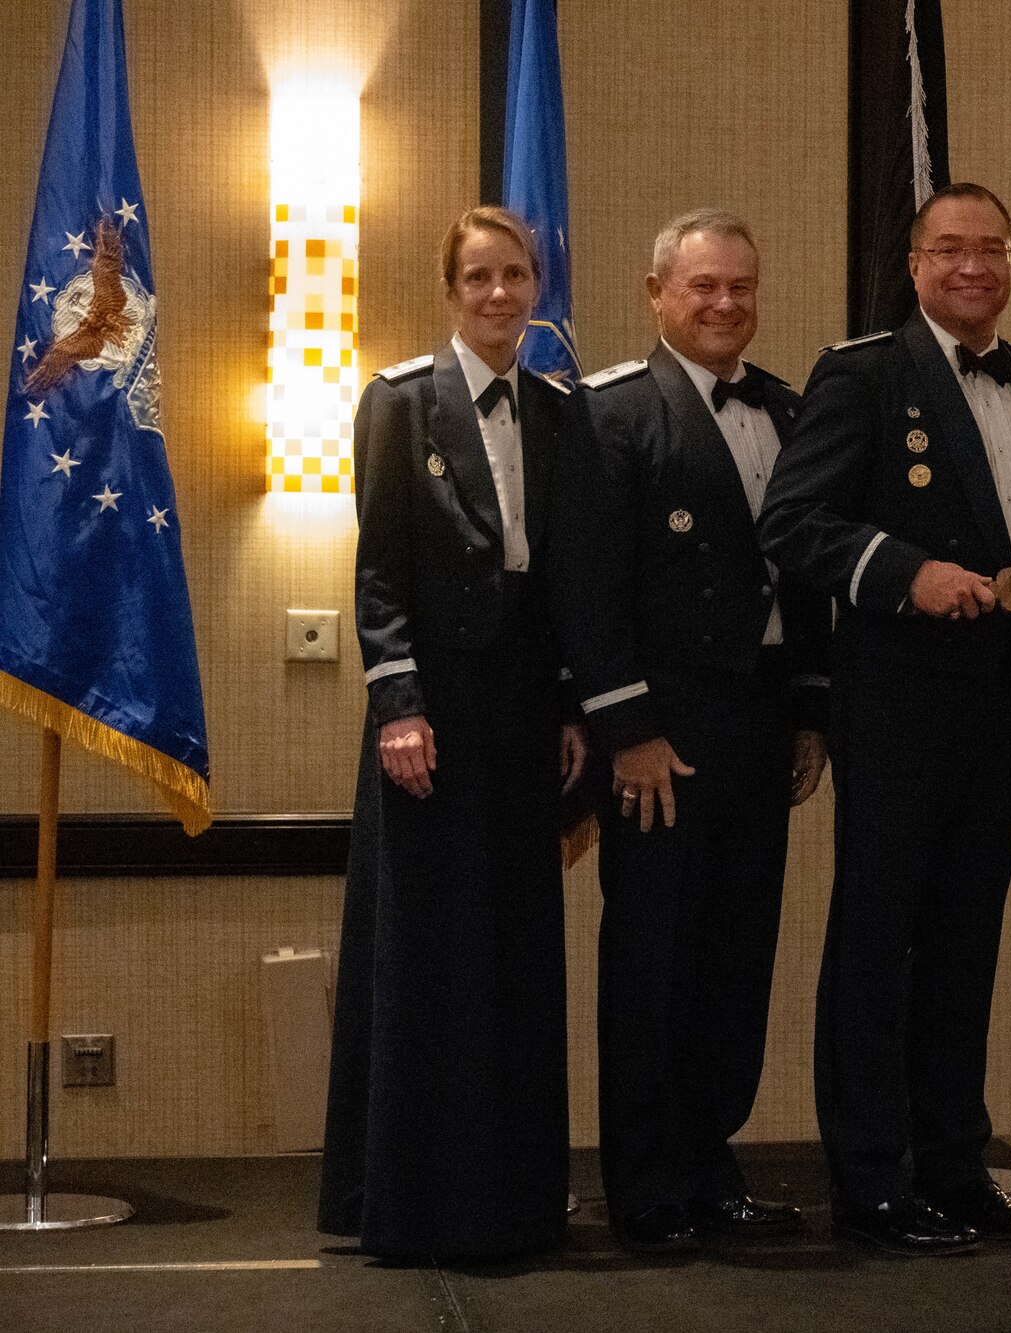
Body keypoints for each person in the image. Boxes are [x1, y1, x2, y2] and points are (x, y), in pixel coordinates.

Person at [758, 183, 1011, 1257]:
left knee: (964, 942)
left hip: (999, 699)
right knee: (877, 942)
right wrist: (905, 572)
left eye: (991, 247)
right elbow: (791, 520)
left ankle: (951, 1164)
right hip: (893, 700)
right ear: (915, 261)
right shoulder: (861, 373)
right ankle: (871, 1180)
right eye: (949, 249)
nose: (971, 266)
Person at [552, 210, 831, 1254]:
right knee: (652, 959)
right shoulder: (613, 414)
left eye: (741, 288)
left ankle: (711, 1166)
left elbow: (803, 578)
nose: (725, 305)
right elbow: (586, 588)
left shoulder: (788, 410)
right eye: (704, 286)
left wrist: (810, 707)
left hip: (760, 721)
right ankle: (648, 1186)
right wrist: (624, 728)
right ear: (656, 291)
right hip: (660, 730)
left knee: (734, 955)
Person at [320, 206, 587, 1259]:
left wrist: (571, 704)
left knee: (517, 952)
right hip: (433, 704)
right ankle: (417, 1203)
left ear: (535, 287)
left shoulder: (562, 412)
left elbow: (567, 578)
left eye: (515, 275)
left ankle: (515, 1200)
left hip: (525, 708)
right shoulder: (400, 401)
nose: (498, 294)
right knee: (432, 955)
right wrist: (399, 705)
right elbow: (379, 565)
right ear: (449, 290)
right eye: (477, 276)